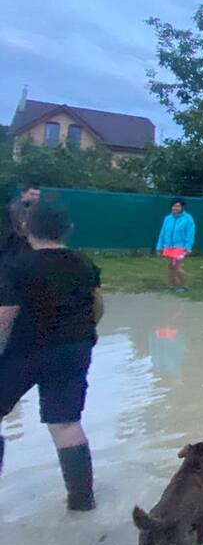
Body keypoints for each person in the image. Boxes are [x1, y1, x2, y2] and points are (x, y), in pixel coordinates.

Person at [0, 200, 104, 510]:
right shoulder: (84, 264)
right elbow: (97, 305)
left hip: (25, 351)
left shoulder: (17, 267)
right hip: (74, 349)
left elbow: (5, 314)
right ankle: (82, 500)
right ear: (67, 230)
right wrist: (82, 333)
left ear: (26, 229)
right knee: (66, 422)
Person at [156, 198, 195, 294]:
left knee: (176, 267)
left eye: (178, 206)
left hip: (180, 246)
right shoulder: (168, 218)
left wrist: (188, 247)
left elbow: (190, 233)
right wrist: (159, 246)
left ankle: (184, 286)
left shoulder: (188, 218)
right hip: (168, 246)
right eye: (174, 206)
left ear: (182, 207)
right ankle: (171, 286)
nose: (175, 208)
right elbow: (163, 232)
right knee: (170, 266)